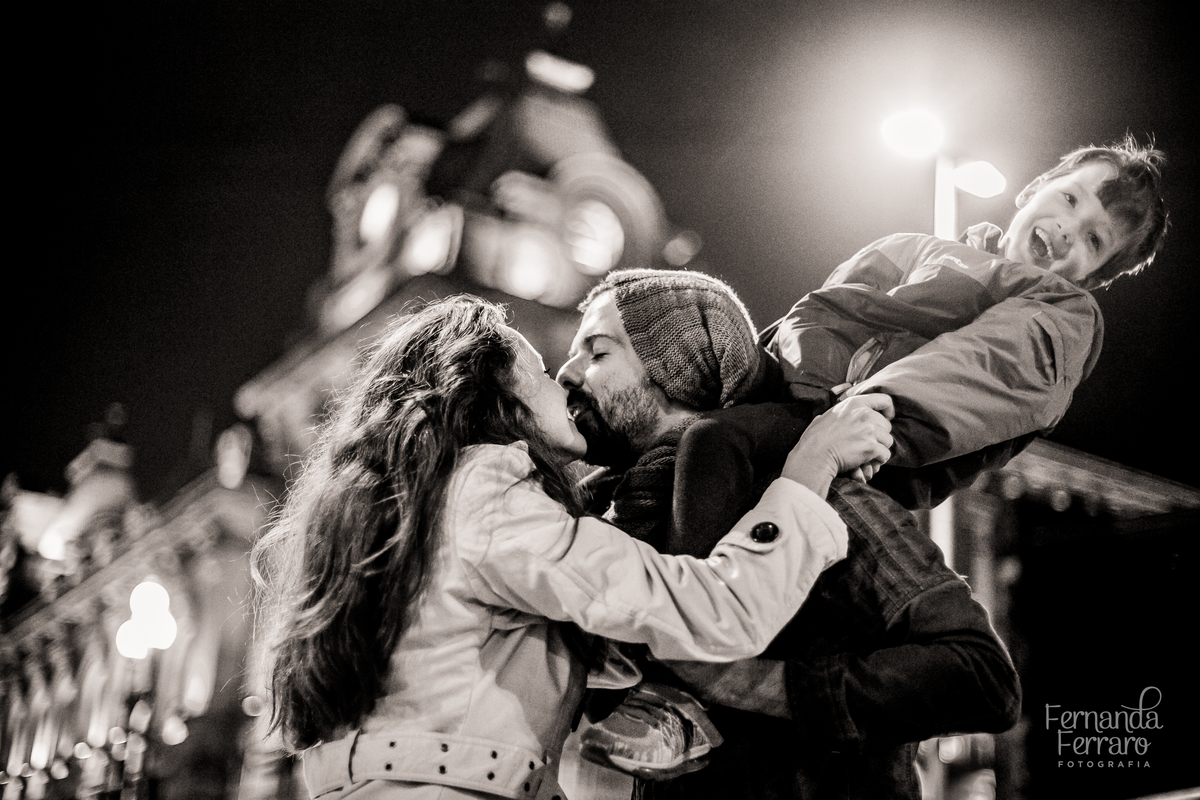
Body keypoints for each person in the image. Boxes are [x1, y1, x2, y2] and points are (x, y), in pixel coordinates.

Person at [249, 295, 896, 800]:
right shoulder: (484, 491)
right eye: (541, 369)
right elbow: (713, 609)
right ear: (492, 392)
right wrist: (810, 469)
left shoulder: (395, 504)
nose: (566, 380)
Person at [555, 270, 1022, 799]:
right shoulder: (610, 514)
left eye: (597, 353)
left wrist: (757, 683)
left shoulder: (819, 496)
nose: (567, 374)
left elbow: (981, 678)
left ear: (677, 370)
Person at [763, 135, 1168, 507]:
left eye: (1094, 239)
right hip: (791, 400)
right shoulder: (912, 247)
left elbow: (982, 365)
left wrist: (865, 415)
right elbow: (825, 310)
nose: (1067, 230)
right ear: (1033, 189)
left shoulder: (1064, 315)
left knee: (719, 444)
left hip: (859, 470)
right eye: (1070, 199)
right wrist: (807, 389)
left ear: (1092, 278)